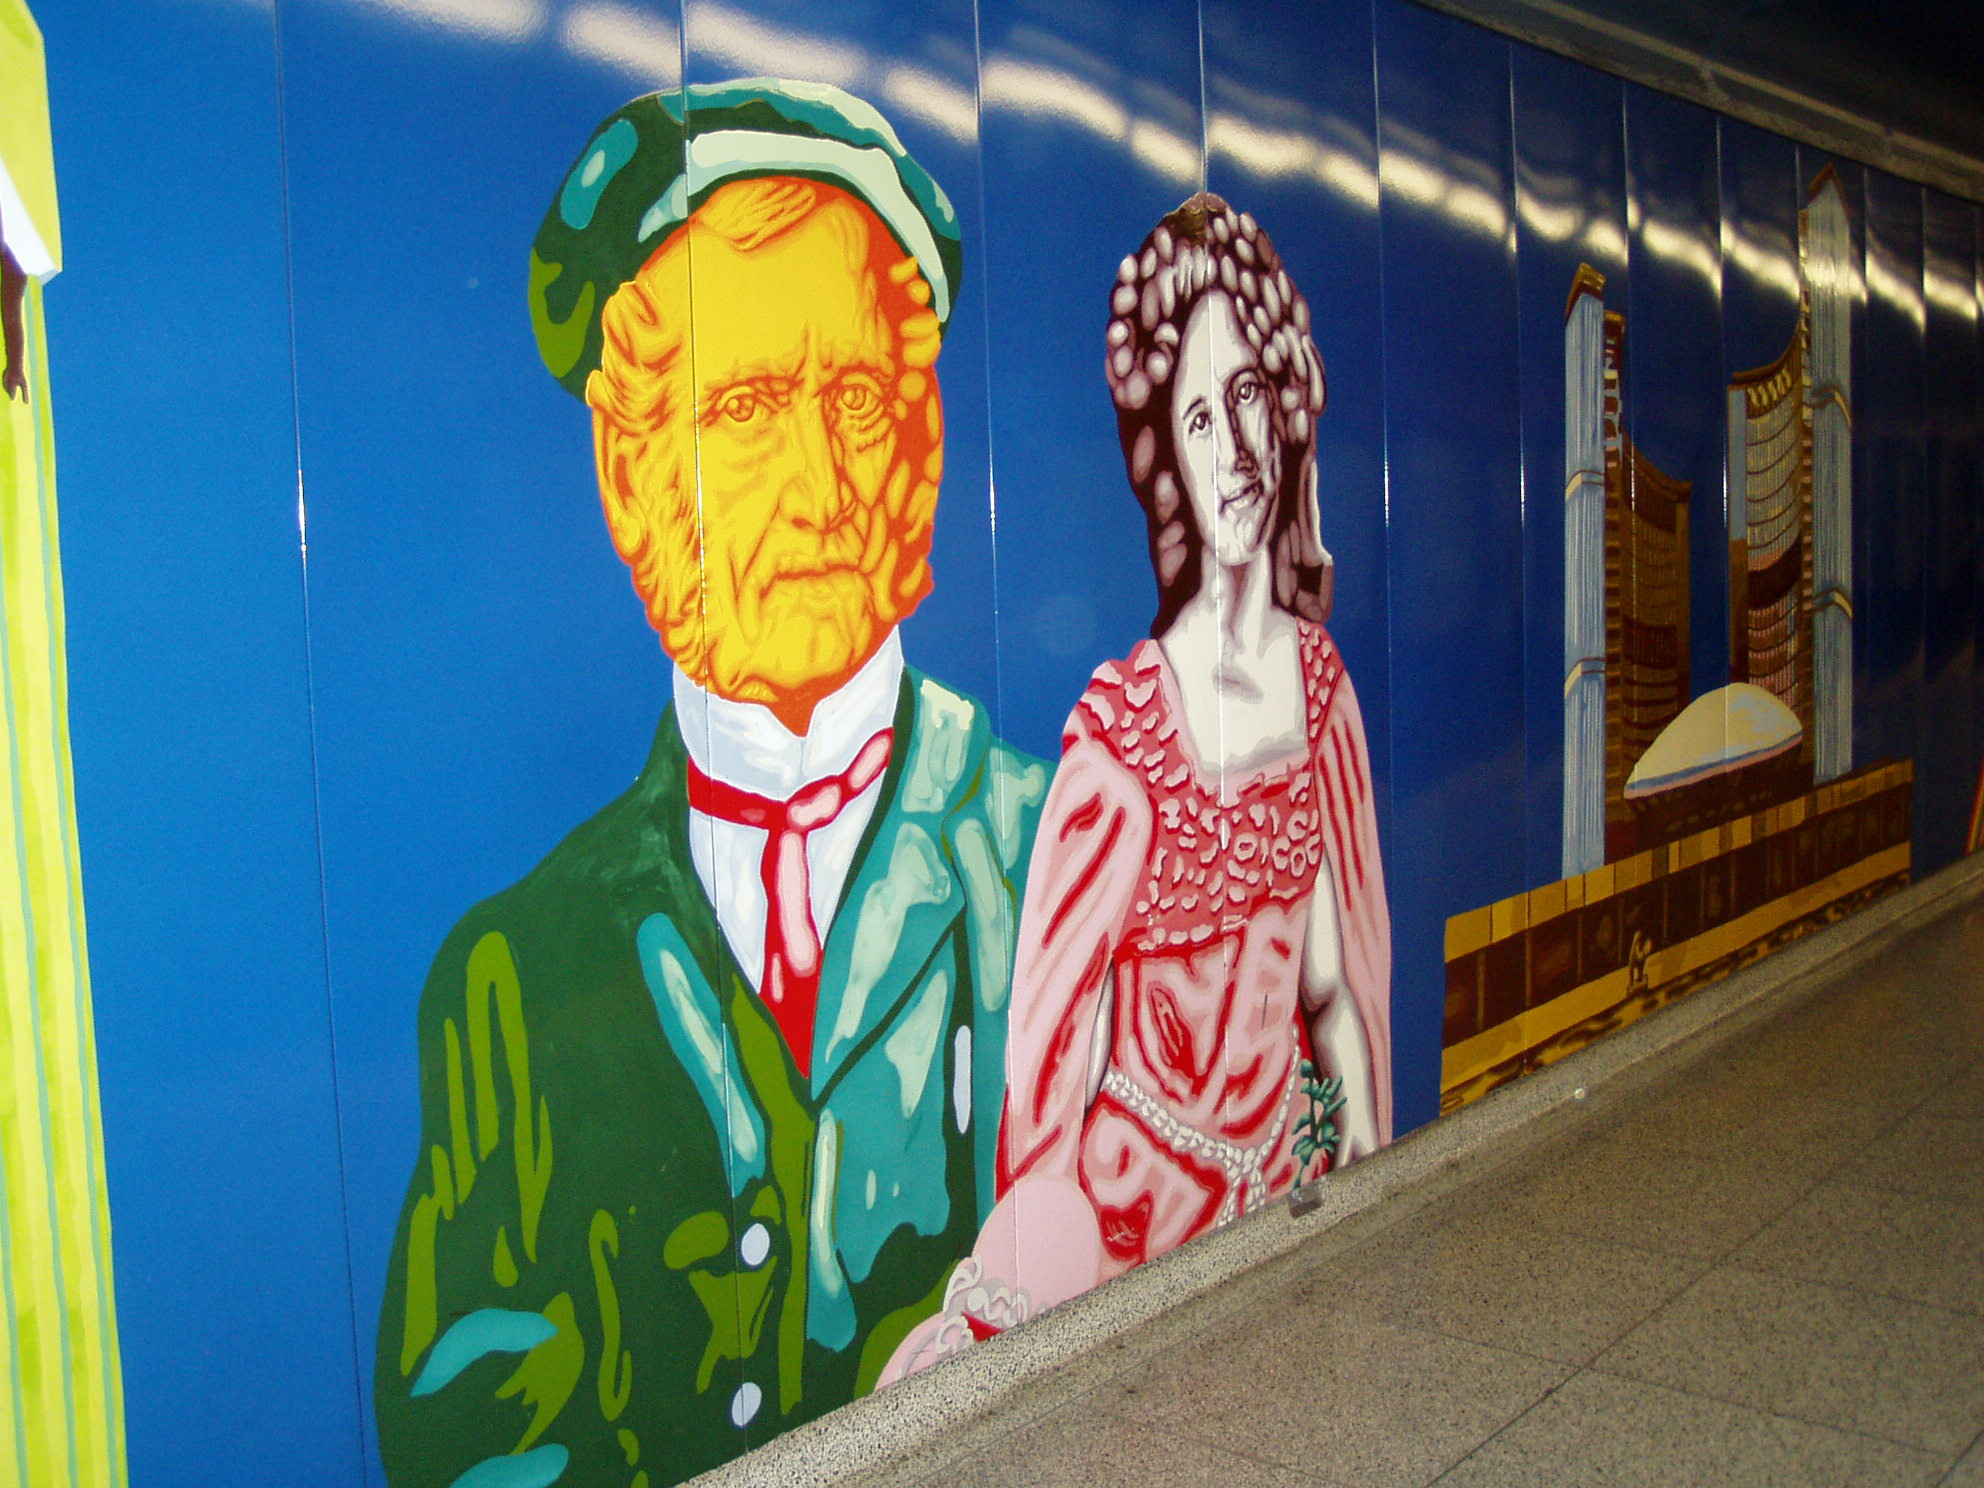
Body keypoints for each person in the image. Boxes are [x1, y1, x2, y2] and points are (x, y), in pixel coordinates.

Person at [374, 82, 1047, 1488]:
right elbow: (464, 1435)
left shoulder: (1050, 857)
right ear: (627, 477)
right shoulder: (507, 978)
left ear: (922, 448)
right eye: (739, 408)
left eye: (855, 398)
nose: (814, 482)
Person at [886, 196, 1391, 1376]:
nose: (1234, 455)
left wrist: (1373, 1180)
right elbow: (1046, 1080)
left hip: (1284, 1201)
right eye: (1198, 417)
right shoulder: (1122, 742)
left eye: (1248, 396)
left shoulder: (1322, 699)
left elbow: (1335, 995)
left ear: (1284, 404)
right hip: (1132, 1241)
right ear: (1165, 456)